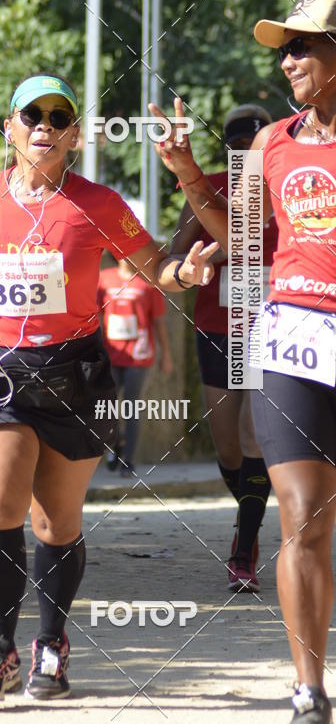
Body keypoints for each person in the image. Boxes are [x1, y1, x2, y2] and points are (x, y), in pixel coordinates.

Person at [0, 72, 218, 700]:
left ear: (75, 135)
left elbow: (154, 265)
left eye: (59, 117)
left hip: (76, 373)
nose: (44, 127)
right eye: (32, 116)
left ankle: (50, 644)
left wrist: (182, 272)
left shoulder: (98, 204)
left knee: (56, 522)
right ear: (10, 129)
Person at [150, 0, 336, 723]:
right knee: (302, 519)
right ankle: (309, 690)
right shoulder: (273, 142)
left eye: (304, 46)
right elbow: (244, 238)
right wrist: (189, 171)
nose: (289, 60)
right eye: (283, 49)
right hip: (292, 334)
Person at [171, 105, 278, 592]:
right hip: (220, 329)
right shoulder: (205, 185)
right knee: (228, 446)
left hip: (272, 329)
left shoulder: (287, 183)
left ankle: (243, 549)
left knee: (254, 438)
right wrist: (191, 264)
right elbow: (174, 249)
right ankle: (248, 514)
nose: (243, 154)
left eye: (251, 145)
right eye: (235, 146)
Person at [97, 256, 173, 477]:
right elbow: (95, 314)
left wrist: (166, 354)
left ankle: (128, 459)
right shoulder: (104, 278)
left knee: (131, 405)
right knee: (105, 403)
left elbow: (158, 321)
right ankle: (117, 442)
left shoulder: (148, 282)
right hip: (111, 353)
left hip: (139, 355)